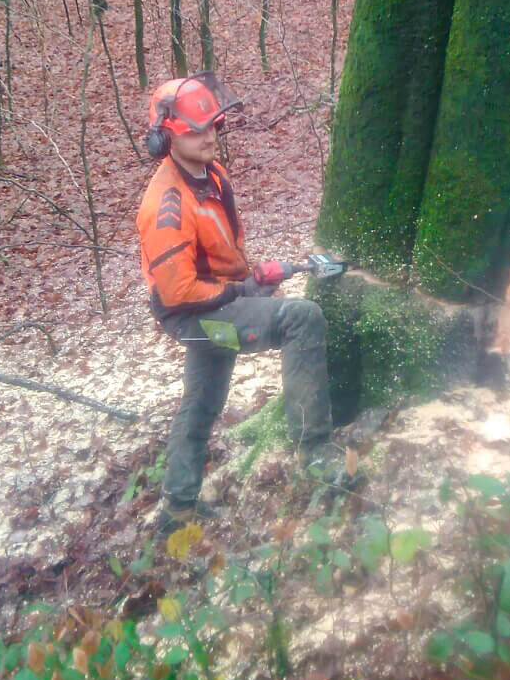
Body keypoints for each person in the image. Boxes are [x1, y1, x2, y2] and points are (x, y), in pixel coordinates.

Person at [135, 71, 351, 534]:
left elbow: (221, 256)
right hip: (196, 317)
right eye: (195, 130)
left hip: (215, 301)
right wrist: (245, 290)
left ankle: (177, 506)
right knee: (301, 317)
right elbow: (178, 292)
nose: (209, 135)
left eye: (212, 125)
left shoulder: (212, 175)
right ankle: (313, 453)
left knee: (202, 402)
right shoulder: (167, 205)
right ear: (166, 138)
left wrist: (252, 279)